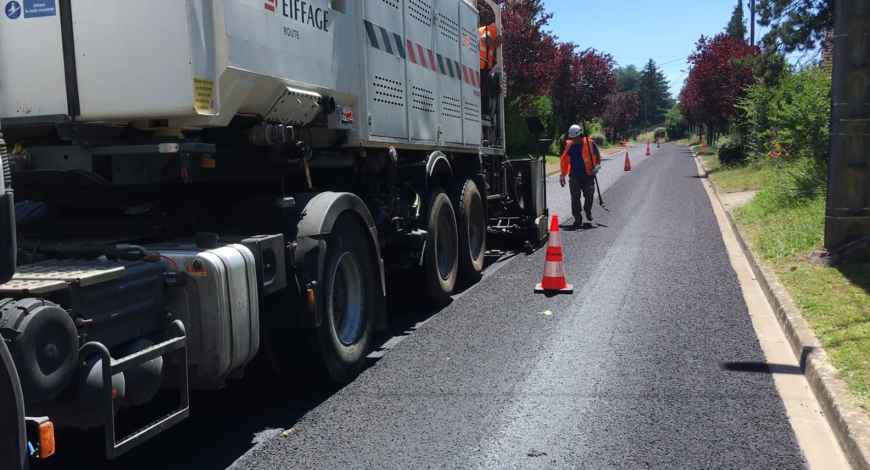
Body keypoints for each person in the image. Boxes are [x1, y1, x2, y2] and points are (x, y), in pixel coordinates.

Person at [559, 124, 601, 227]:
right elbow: (565, 163)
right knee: (575, 197)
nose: (575, 139)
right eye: (573, 138)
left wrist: (597, 166)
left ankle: (587, 210)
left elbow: (597, 155)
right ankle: (577, 219)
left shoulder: (590, 143)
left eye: (577, 137)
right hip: (574, 176)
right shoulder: (569, 147)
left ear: (581, 135)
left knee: (589, 196)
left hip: (588, 175)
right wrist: (562, 175)